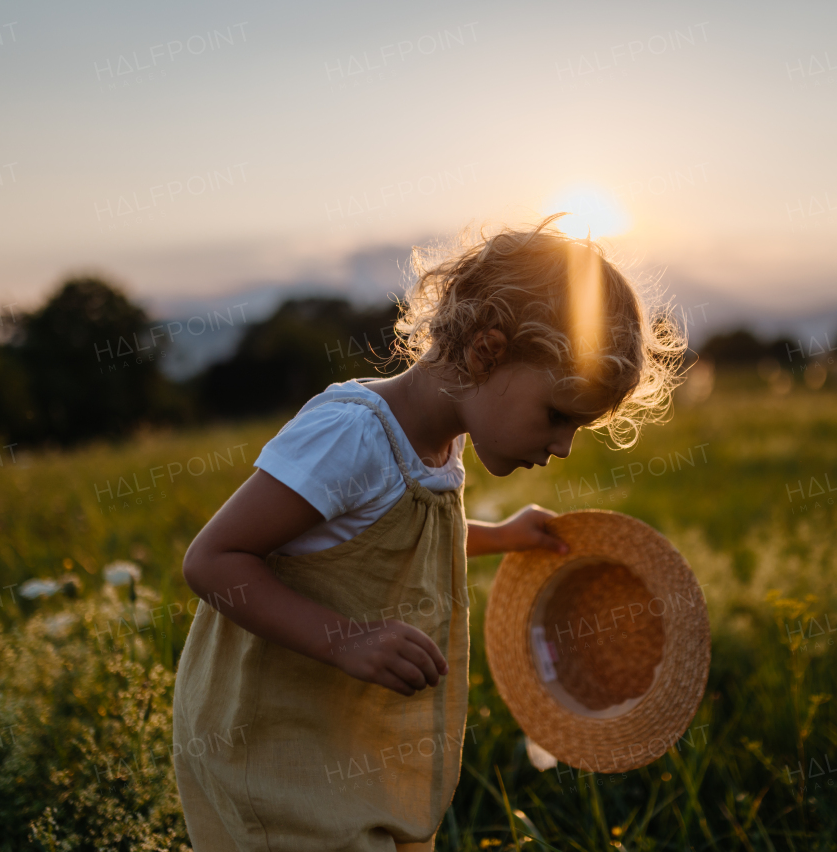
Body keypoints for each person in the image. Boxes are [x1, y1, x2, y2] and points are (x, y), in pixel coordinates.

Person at [172, 213, 685, 851]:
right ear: (486, 351)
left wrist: (499, 535)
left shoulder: (442, 443)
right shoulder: (353, 435)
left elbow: (384, 540)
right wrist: (343, 639)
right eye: (556, 415)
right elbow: (214, 559)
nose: (563, 447)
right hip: (276, 763)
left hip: (349, 752)